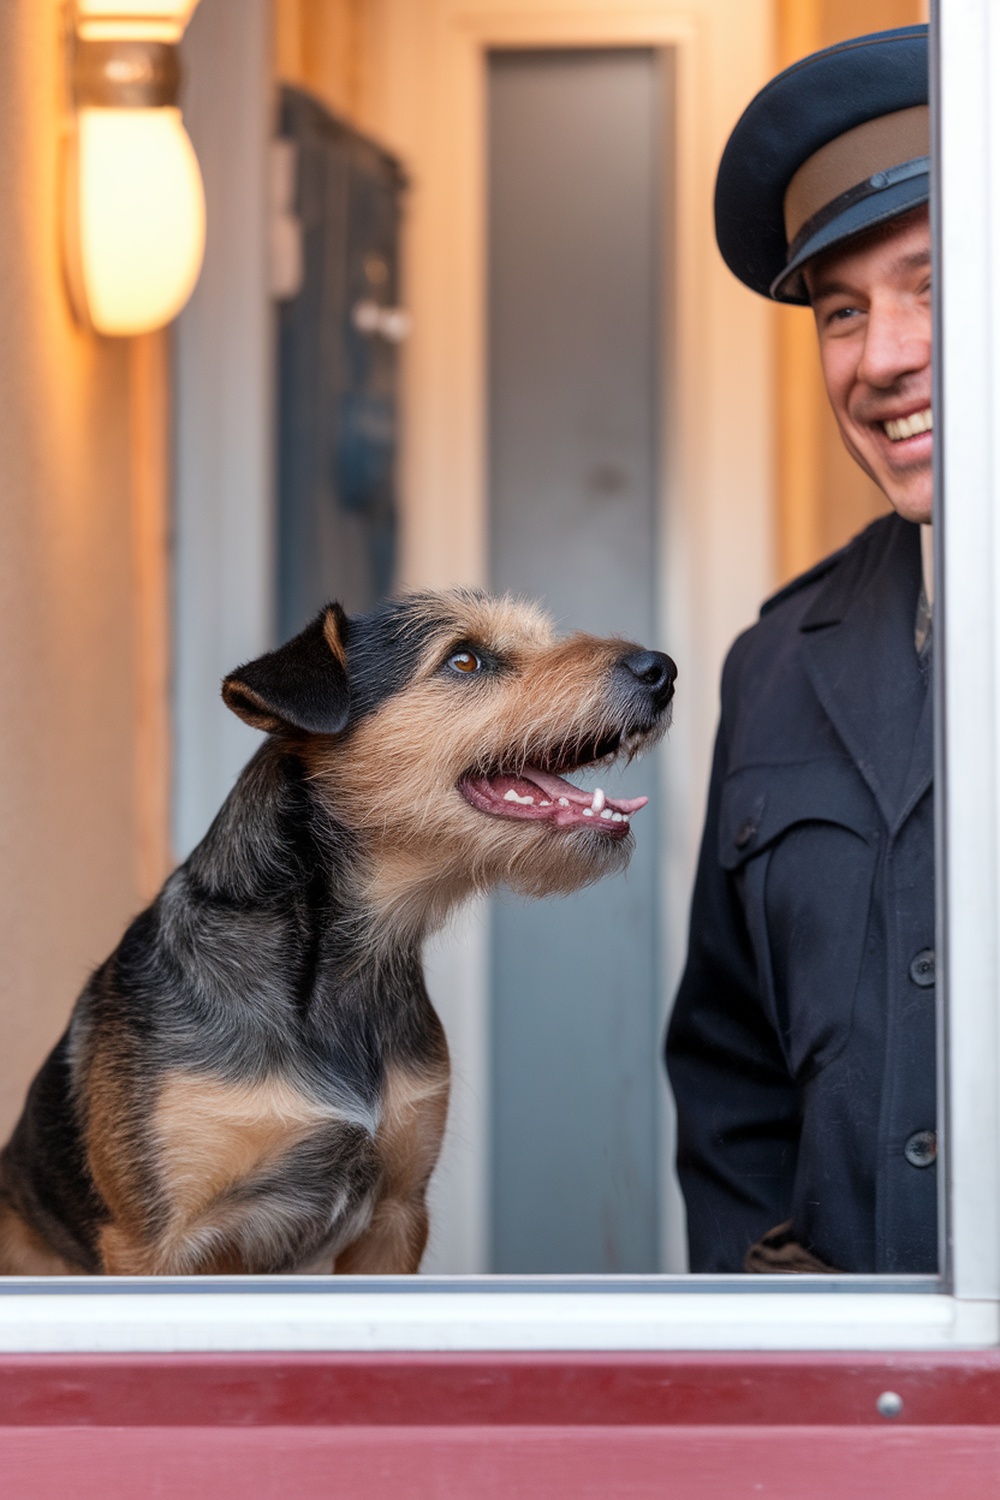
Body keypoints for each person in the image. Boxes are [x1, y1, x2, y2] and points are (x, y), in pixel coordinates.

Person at [665, 26, 936, 1275]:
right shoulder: (772, 665)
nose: (881, 358)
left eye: (933, 285)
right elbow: (729, 1076)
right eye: (842, 313)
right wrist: (782, 1343)